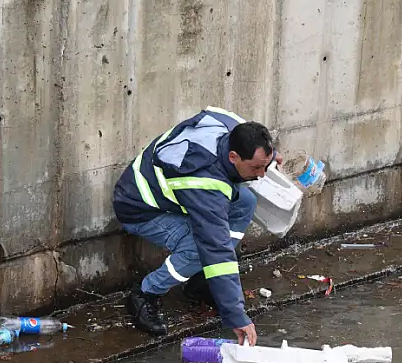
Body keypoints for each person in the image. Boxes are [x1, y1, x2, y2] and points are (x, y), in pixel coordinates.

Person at [112, 106, 281, 347]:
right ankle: (145, 293)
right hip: (140, 210)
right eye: (256, 168)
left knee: (246, 201)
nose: (262, 174)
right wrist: (235, 315)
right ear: (233, 157)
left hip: (160, 193)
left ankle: (201, 280)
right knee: (199, 250)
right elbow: (216, 248)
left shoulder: (229, 125)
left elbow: (252, 139)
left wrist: (271, 157)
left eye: (264, 165)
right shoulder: (202, 181)